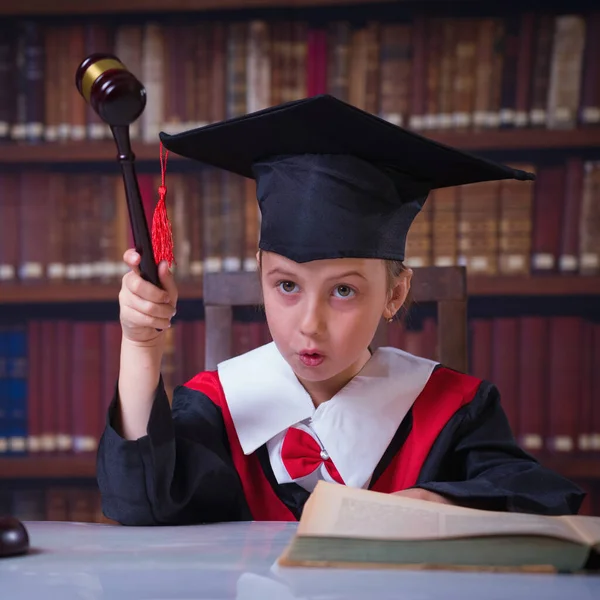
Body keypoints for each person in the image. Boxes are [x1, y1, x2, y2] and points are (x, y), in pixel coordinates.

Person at [97, 95, 584, 525]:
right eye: (287, 285)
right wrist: (142, 345)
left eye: (344, 291)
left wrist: (440, 502)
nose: (310, 324)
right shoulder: (217, 407)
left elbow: (537, 496)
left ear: (394, 295)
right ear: (260, 280)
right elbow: (138, 503)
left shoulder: (453, 409)